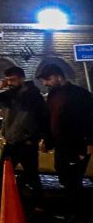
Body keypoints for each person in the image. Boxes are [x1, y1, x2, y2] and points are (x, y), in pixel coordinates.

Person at [39, 65, 93, 203]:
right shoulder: (52, 95)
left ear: (59, 77)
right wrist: (47, 140)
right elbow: (49, 118)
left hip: (76, 143)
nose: (45, 83)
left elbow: (90, 118)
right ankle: (75, 213)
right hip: (60, 144)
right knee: (64, 175)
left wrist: (90, 142)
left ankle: (78, 216)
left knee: (73, 179)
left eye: (48, 79)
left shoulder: (79, 94)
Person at [0, 65, 48, 194]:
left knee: (32, 176)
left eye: (13, 80)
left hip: (27, 143)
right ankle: (3, 204)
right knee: (2, 175)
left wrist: (34, 138)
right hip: (11, 142)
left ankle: (39, 206)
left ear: (22, 79)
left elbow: (42, 118)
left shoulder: (32, 95)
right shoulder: (8, 94)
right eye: (7, 80)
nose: (9, 83)